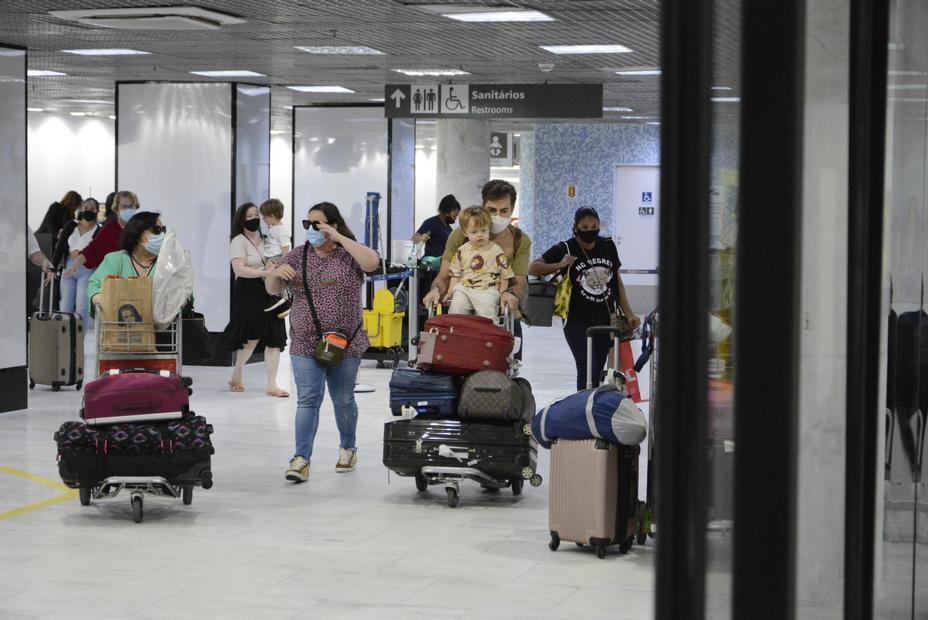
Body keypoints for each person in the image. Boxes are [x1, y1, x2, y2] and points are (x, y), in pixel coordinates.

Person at [265, 201, 380, 483]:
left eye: (318, 224)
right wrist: (275, 274)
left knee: (343, 399)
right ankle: (301, 458)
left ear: (333, 225)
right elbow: (272, 289)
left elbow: (372, 262)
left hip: (345, 342)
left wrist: (340, 239)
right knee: (308, 400)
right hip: (305, 342)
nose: (312, 230)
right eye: (308, 224)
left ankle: (348, 449)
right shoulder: (296, 256)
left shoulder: (348, 255)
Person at [529, 206, 641, 391]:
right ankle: (583, 407)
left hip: (606, 317)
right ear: (576, 227)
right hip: (576, 318)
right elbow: (533, 268)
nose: (590, 231)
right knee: (587, 367)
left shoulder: (607, 245)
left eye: (594, 226)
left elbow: (617, 283)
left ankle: (593, 406)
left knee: (598, 369)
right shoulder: (566, 247)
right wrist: (560, 263)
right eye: (585, 227)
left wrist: (628, 313)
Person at [423, 180, 531, 358]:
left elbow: (519, 284)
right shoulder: (460, 234)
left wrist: (508, 293)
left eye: (504, 211)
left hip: (504, 315)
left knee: (504, 375)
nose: (497, 216)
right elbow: (444, 277)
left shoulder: (519, 240)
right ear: (483, 208)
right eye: (492, 210)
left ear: (512, 210)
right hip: (464, 311)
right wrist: (435, 290)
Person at [222, 202, 288, 397]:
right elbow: (239, 269)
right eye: (249, 217)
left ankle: (272, 384)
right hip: (248, 292)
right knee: (251, 338)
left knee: (275, 337)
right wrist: (265, 271)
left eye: (255, 216)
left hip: (269, 289)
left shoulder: (267, 237)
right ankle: (237, 374)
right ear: (241, 220)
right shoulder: (238, 241)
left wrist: (273, 267)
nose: (253, 220)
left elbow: (276, 256)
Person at [446, 205, 514, 319]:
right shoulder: (461, 251)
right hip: (464, 288)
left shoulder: (496, 250)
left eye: (483, 230)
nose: (479, 235)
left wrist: (502, 292)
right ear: (465, 232)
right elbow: (456, 274)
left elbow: (505, 275)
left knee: (487, 313)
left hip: (487, 290)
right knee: (456, 307)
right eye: (474, 232)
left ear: (489, 229)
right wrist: (450, 292)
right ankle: (458, 333)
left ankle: (487, 335)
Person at [87, 211, 163, 312]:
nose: (162, 235)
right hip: (120, 324)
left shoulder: (166, 263)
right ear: (138, 233)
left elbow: (182, 292)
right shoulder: (114, 260)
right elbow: (94, 285)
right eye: (157, 230)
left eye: (163, 230)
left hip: (160, 326)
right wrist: (98, 297)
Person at [63, 190, 140, 279]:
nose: (128, 210)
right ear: (116, 209)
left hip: (134, 277)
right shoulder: (109, 228)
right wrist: (77, 262)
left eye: (131, 207)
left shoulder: (140, 228)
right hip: (113, 279)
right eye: (124, 207)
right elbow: (94, 248)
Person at [57, 198, 100, 331]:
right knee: (65, 305)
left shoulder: (99, 230)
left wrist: (81, 254)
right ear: (81, 208)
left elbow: (98, 252)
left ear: (97, 211)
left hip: (87, 270)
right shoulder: (71, 225)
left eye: (92, 209)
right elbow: (60, 247)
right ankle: (65, 337)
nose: (88, 210)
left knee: (82, 305)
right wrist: (53, 268)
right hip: (69, 267)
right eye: (86, 207)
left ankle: (80, 341)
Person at [259, 198, 292, 316]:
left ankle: (283, 297)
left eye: (265, 216)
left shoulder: (282, 231)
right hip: (270, 257)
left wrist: (282, 262)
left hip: (276, 257)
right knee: (266, 276)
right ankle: (279, 298)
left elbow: (285, 249)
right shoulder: (272, 228)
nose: (263, 219)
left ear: (272, 216)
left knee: (270, 275)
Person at [412, 194, 460, 258]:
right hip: (430, 263)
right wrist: (421, 238)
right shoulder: (431, 223)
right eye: (454, 216)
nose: (455, 219)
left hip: (441, 263)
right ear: (447, 212)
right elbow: (414, 238)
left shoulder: (449, 229)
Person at [37, 190, 82, 256]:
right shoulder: (56, 207)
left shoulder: (71, 216)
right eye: (76, 206)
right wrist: (57, 234)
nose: (75, 209)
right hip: (43, 240)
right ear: (72, 203)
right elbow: (48, 223)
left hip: (53, 244)